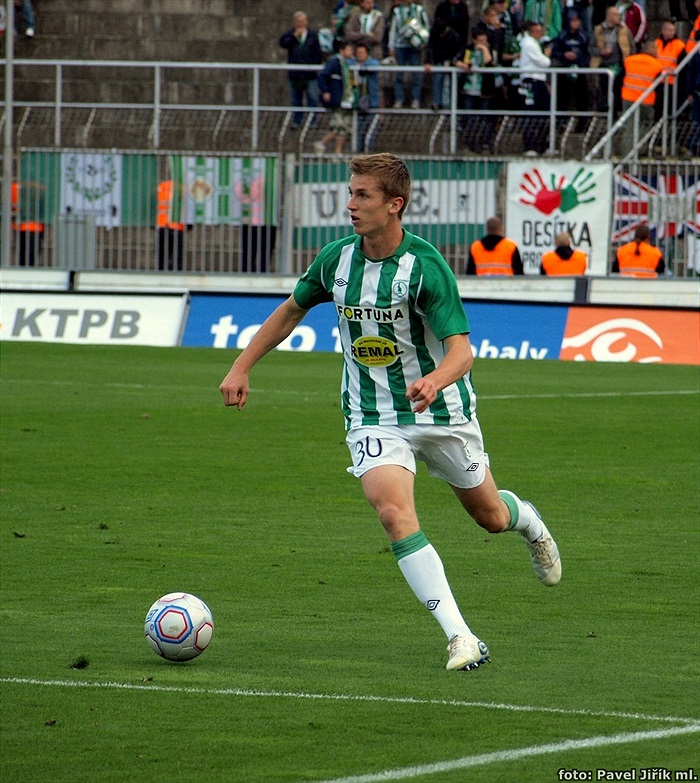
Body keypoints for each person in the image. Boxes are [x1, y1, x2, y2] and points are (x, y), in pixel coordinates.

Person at [219, 153, 562, 672]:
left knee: (490, 517)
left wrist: (435, 380)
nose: (351, 205)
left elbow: (462, 351)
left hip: (441, 411)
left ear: (394, 204)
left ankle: (530, 523)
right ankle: (461, 637)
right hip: (371, 412)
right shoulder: (336, 260)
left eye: (363, 195)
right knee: (393, 514)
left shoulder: (425, 266)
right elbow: (290, 311)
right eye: (351, 193)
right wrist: (241, 366)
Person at [279, 11, 323, 130]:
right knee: (296, 100)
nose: (301, 24)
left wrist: (314, 66)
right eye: (299, 22)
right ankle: (297, 121)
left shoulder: (312, 35)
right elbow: (283, 43)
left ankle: (312, 121)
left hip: (310, 74)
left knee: (313, 98)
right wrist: (294, 36)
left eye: (303, 21)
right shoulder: (289, 34)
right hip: (295, 74)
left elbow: (318, 52)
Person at [455, 29, 497, 152]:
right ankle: (469, 144)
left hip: (485, 90)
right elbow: (456, 60)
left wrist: (484, 49)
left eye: (484, 40)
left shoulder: (491, 49)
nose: (483, 42)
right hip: (469, 89)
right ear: (474, 40)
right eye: (480, 41)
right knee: (469, 118)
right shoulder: (468, 50)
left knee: (486, 118)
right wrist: (463, 65)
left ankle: (485, 144)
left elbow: (489, 63)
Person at [620, 41, 664, 150]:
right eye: (655, 49)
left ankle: (626, 151)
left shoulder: (629, 60)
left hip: (628, 98)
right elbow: (659, 88)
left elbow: (618, 81)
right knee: (645, 125)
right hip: (646, 101)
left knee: (629, 127)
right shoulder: (657, 65)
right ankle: (639, 150)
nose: (657, 51)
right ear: (650, 50)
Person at [590, 5, 633, 115]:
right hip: (603, 64)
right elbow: (590, 48)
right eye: (615, 15)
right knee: (603, 89)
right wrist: (601, 51)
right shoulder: (598, 30)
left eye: (619, 15)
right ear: (608, 16)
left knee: (618, 88)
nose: (618, 17)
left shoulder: (624, 30)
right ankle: (604, 111)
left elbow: (632, 47)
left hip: (620, 65)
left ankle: (616, 111)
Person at [550, 11, 590, 129]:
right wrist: (564, 55)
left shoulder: (583, 36)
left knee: (582, 97)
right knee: (562, 96)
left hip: (579, 70)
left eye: (577, 20)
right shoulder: (562, 36)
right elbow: (554, 52)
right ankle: (561, 121)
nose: (576, 23)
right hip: (565, 70)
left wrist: (579, 58)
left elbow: (588, 54)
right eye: (573, 21)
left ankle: (582, 123)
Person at [315, 40, 356, 155]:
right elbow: (322, 76)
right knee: (338, 125)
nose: (351, 52)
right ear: (342, 50)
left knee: (344, 127)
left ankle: (338, 151)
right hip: (337, 100)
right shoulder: (334, 62)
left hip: (347, 100)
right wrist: (325, 91)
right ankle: (322, 143)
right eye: (349, 49)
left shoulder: (347, 64)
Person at [517, 21, 552, 155]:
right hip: (531, 81)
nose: (540, 34)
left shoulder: (535, 43)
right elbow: (544, 62)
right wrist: (547, 55)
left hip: (540, 81)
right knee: (531, 112)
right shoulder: (528, 44)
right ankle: (529, 146)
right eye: (538, 31)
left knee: (544, 112)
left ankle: (542, 145)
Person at [388, 0, 431, 108]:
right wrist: (391, 46)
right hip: (400, 46)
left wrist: (423, 41)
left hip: (415, 47)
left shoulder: (419, 10)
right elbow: (393, 29)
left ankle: (416, 99)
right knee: (399, 74)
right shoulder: (397, 11)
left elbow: (426, 27)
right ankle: (399, 99)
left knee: (416, 74)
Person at [424, 16, 463, 109]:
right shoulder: (434, 33)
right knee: (438, 77)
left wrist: (452, 61)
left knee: (450, 83)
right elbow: (430, 48)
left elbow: (459, 51)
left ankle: (450, 105)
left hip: (452, 62)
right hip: (439, 61)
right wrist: (428, 61)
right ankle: (437, 102)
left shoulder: (454, 36)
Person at [351, 40, 382, 152]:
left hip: (371, 103)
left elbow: (376, 65)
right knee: (358, 130)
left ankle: (368, 151)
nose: (360, 55)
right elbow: (347, 64)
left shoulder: (372, 63)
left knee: (370, 131)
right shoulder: (352, 63)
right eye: (358, 53)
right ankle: (358, 152)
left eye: (362, 53)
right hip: (357, 103)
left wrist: (361, 67)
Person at [654, 19, 686, 121]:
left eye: (673, 30)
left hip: (671, 82)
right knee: (658, 108)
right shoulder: (656, 43)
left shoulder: (680, 45)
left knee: (669, 108)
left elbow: (683, 65)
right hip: (658, 81)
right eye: (669, 30)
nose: (672, 32)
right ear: (663, 31)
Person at [11, 180, 44, 266]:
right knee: (31, 255)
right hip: (35, 227)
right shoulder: (40, 187)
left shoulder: (15, 187)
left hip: (21, 226)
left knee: (22, 255)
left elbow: (11, 205)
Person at [156, 179, 186, 271]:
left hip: (162, 224)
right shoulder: (183, 187)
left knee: (162, 254)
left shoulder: (161, 186)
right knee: (177, 255)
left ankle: (161, 272)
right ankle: (177, 272)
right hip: (178, 226)